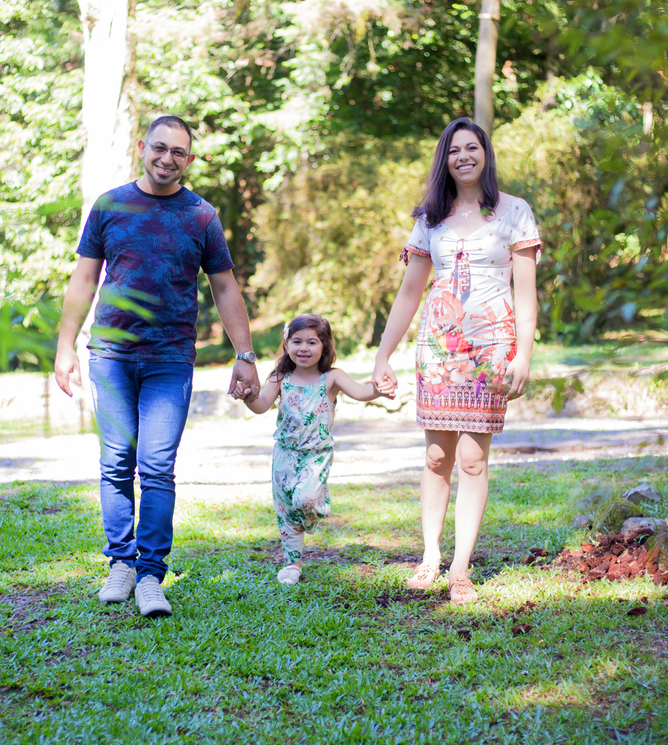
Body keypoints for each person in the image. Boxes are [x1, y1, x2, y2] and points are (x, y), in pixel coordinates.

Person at [54, 115, 261, 618]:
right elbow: (83, 280)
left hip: (171, 358)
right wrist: (65, 347)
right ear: (143, 147)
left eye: (179, 153)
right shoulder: (110, 206)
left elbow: (225, 286)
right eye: (160, 148)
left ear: (189, 160)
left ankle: (151, 575)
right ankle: (120, 564)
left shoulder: (202, 216)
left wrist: (245, 354)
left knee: (157, 467)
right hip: (112, 355)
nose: (167, 159)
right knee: (116, 461)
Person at [372, 117, 540, 605]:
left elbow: (525, 293)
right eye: (454, 150)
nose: (464, 156)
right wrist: (385, 354)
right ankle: (429, 558)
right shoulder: (430, 218)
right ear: (444, 159)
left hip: (491, 349)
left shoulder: (514, 212)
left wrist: (523, 355)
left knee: (471, 458)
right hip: (439, 349)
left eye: (472, 148)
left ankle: (461, 569)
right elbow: (409, 293)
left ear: (485, 154)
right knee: (436, 456)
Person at [242, 314, 380, 586]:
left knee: (304, 501)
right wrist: (248, 397)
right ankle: (292, 564)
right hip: (284, 454)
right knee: (284, 509)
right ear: (286, 343)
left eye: (312, 342)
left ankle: (316, 506)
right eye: (297, 341)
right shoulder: (281, 376)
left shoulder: (332, 378)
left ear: (325, 346)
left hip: (316, 455)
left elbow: (362, 392)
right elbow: (260, 406)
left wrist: (379, 389)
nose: (303, 348)